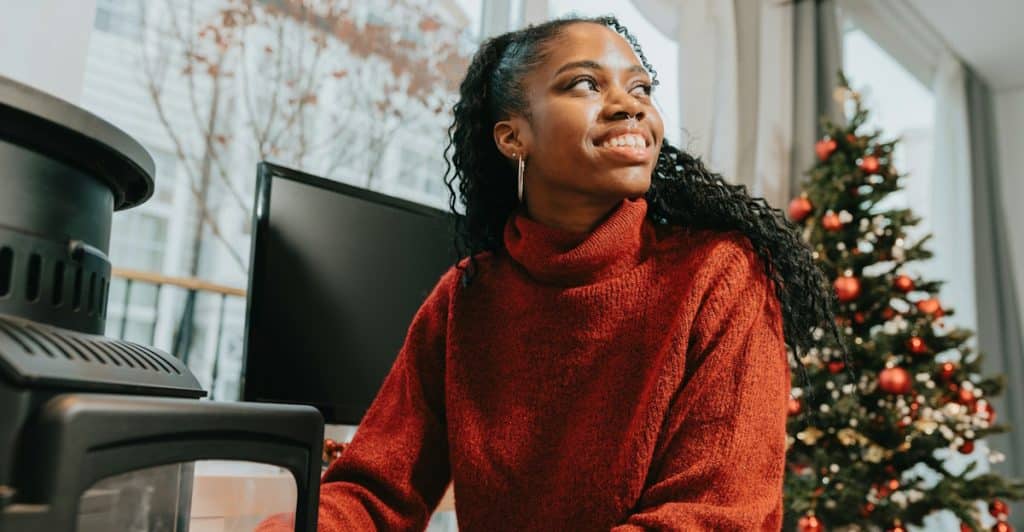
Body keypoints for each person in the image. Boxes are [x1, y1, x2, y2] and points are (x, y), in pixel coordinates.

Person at [259, 14, 847, 532]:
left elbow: (718, 516)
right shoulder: (466, 299)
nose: (631, 103)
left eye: (641, 87)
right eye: (587, 84)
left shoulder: (720, 274)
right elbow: (377, 492)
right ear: (514, 137)